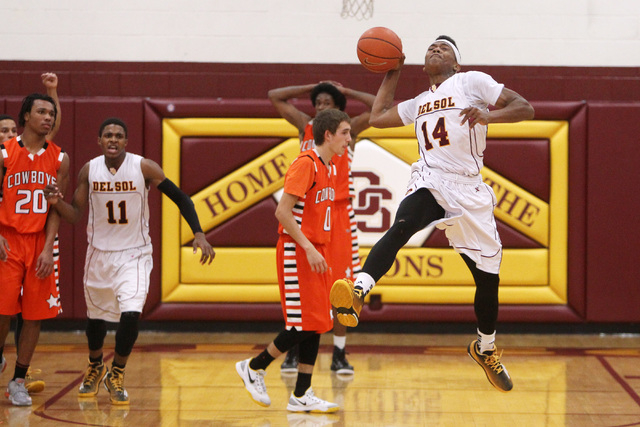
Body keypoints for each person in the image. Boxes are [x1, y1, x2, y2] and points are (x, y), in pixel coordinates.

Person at [330, 35, 535, 393]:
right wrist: (392, 69)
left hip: (469, 190)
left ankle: (485, 348)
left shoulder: (471, 81)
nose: (435, 49)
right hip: (431, 178)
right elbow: (377, 117)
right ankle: (358, 289)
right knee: (403, 225)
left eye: (444, 48)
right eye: (431, 48)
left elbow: (525, 108)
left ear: (456, 63)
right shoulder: (420, 101)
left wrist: (490, 115)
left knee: (487, 280)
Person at [45, 117, 215, 405]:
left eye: (119, 135)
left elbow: (181, 198)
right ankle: (96, 365)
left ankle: (117, 372)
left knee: (131, 313)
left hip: (135, 253)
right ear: (99, 141)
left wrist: (198, 232)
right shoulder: (89, 170)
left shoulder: (144, 167)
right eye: (108, 135)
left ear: (126, 141)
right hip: (99, 253)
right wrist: (56, 202)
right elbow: (74, 214)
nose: (113, 139)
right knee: (96, 318)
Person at [236, 109, 351, 413]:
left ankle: (301, 394)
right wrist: (309, 248)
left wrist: (324, 251)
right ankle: (254, 366)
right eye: (345, 133)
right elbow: (282, 212)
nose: (349, 140)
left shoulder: (332, 167)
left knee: (318, 323)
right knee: (301, 324)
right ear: (328, 135)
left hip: (317, 251)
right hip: (298, 250)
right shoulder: (306, 164)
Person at [268, 81, 375, 375]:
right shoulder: (305, 125)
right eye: (318, 102)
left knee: (343, 286)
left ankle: (339, 352)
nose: (321, 107)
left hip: (339, 214)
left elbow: (380, 106)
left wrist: (348, 91)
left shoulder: (347, 129)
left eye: (328, 102)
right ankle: (293, 348)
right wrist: (314, 87)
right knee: (301, 285)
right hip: (307, 213)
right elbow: (274, 95)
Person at [0, 92, 69, 406]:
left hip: (39, 243)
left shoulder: (59, 158)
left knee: (34, 315)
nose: (48, 118)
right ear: (25, 116)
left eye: (51, 114)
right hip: (8, 238)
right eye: (42, 112)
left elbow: (55, 208)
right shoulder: (4, 153)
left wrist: (47, 248)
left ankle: (18, 380)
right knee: (2, 308)